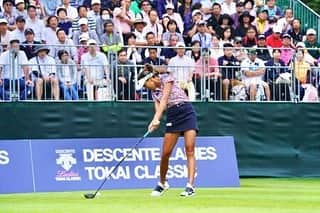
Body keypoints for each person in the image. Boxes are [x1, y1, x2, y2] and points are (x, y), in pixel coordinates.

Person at [136, 63, 198, 197]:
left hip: (186, 111)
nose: (146, 88)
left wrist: (156, 118)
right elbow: (159, 108)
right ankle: (162, 183)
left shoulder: (167, 79)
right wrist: (154, 122)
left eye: (146, 85)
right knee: (165, 153)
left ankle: (190, 186)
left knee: (189, 149)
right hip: (173, 115)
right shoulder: (154, 93)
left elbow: (164, 99)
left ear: (150, 79)